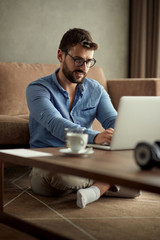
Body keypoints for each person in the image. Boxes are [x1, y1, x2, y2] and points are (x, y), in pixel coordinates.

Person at [26, 28, 140, 208]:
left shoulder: (96, 90)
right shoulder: (37, 89)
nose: (84, 67)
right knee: (56, 176)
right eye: (78, 60)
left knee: (136, 181)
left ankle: (91, 190)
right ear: (60, 55)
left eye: (89, 61)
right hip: (49, 162)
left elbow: (112, 119)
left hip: (84, 162)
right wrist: (95, 137)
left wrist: (128, 132)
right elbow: (55, 122)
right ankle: (104, 185)